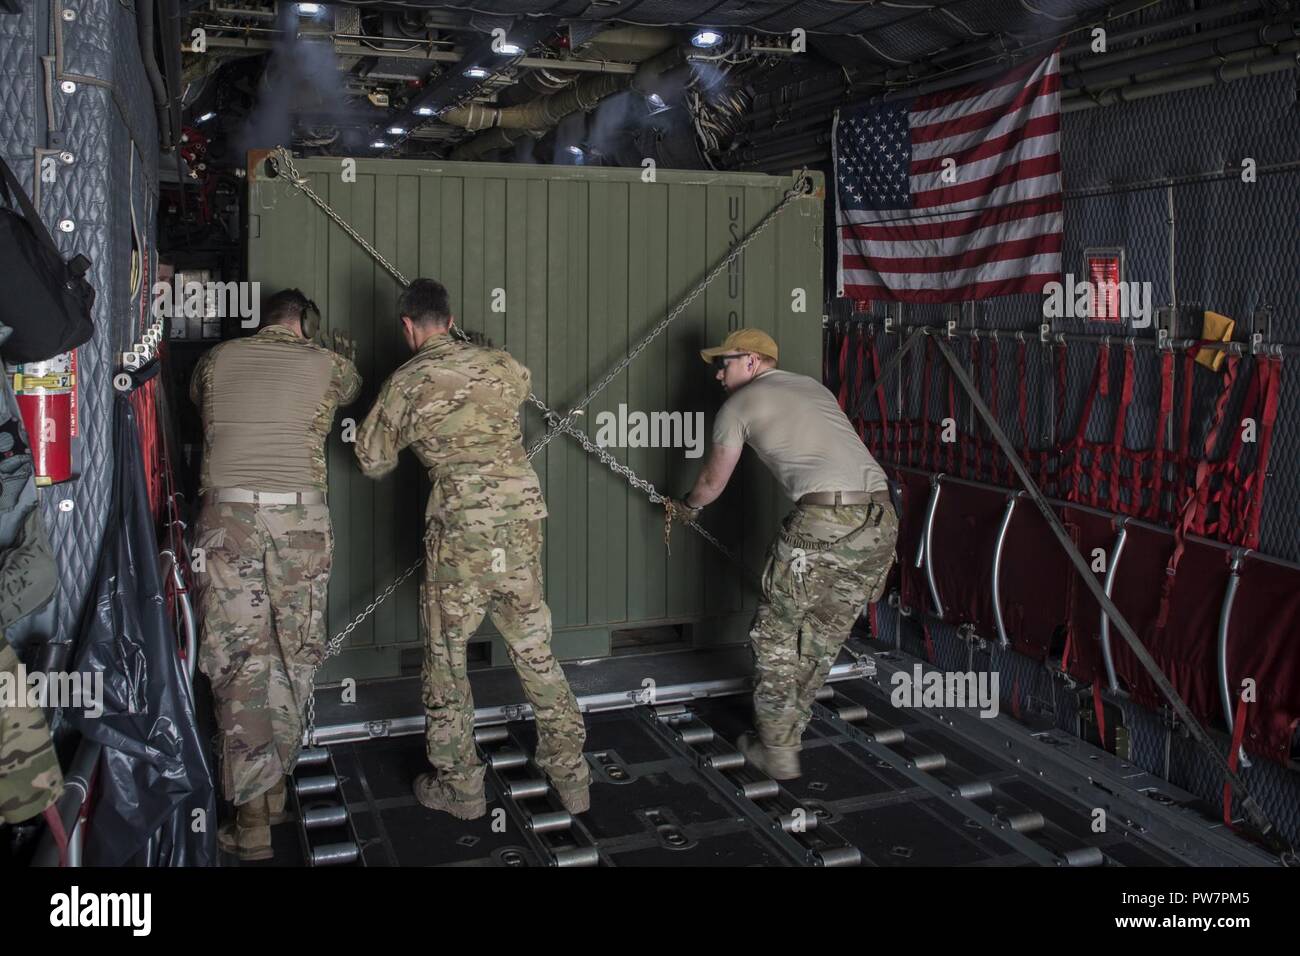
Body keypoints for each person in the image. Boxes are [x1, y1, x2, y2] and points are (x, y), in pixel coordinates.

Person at [353, 278, 589, 819]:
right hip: (522, 517)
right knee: (534, 646)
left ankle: (461, 789)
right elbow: (519, 387)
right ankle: (572, 775)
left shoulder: (408, 379)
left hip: (463, 528)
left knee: (445, 658)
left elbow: (372, 459)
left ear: (408, 326)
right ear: (451, 317)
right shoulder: (502, 364)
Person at [671, 328, 898, 779]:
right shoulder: (813, 387)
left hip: (824, 520)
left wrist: (687, 507)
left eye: (726, 363)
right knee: (822, 636)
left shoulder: (737, 406)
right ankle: (790, 732)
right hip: (882, 519)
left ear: (753, 361)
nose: (719, 375)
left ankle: (776, 748)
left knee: (775, 637)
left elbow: (712, 484)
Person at [190, 288, 360, 859]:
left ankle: (252, 811)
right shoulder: (329, 365)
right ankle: (273, 788)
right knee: (296, 648)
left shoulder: (216, 359)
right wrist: (338, 357)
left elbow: (198, 399)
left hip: (228, 516)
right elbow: (353, 389)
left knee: (239, 656)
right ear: (306, 327)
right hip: (300, 518)